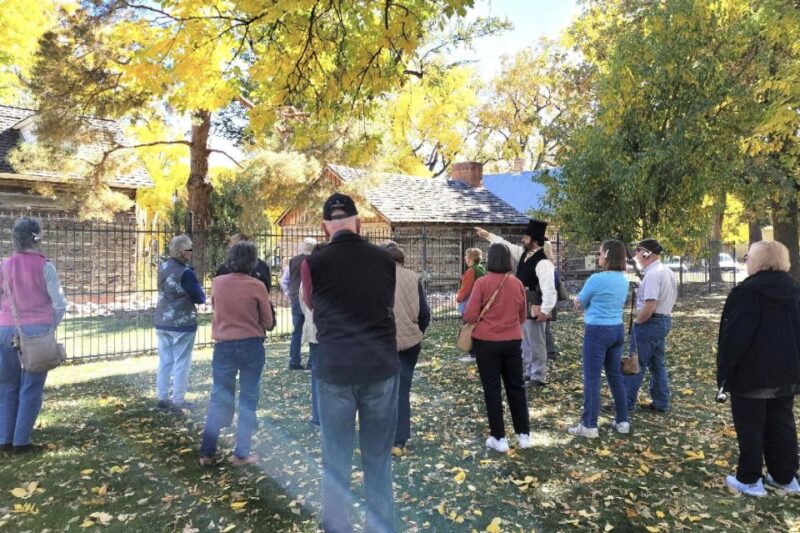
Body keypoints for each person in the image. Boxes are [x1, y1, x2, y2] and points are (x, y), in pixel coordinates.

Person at [301, 193, 399, 533]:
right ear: (359, 224)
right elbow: (383, 302)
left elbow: (310, 305)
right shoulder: (385, 260)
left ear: (325, 228)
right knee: (378, 460)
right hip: (379, 368)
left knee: (336, 461)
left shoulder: (312, 263)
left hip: (335, 369)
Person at [717, 240, 800, 496]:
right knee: (782, 422)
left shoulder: (747, 294)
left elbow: (735, 337)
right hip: (787, 373)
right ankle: (785, 476)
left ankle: (750, 478)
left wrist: (725, 372)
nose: (745, 261)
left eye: (748, 257)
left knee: (751, 426)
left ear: (760, 261)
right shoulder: (794, 290)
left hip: (752, 373)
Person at [200, 241, 273, 467]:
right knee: (248, 398)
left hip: (224, 345)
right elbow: (268, 322)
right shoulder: (257, 285)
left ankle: (207, 451)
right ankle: (241, 453)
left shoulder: (218, 283)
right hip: (251, 344)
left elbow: (216, 309)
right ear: (253, 261)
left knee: (218, 396)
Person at [0, 217, 67, 455]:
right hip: (36, 330)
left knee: (7, 385)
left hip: (5, 328)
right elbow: (59, 304)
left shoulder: (3, 265)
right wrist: (50, 328)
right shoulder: (45, 266)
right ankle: (21, 442)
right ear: (37, 237)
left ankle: (5, 439)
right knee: (31, 387)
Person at [464, 243, 531, 453]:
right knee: (516, 386)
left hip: (487, 342)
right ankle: (524, 434)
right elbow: (522, 315)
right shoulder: (517, 283)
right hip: (512, 341)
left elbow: (470, 315)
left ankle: (499, 437)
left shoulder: (482, 283)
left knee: (492, 389)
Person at [475, 221, 556, 387]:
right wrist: (488, 235)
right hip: (524, 303)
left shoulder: (543, 262)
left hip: (536, 305)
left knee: (536, 342)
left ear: (534, 240)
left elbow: (549, 288)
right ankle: (528, 372)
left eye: (526, 237)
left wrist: (545, 309)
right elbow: (507, 245)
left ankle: (538, 376)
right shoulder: (525, 255)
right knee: (525, 342)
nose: (523, 239)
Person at [569, 239, 630, 438]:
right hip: (616, 330)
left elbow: (581, 301)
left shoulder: (596, 279)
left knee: (592, 378)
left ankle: (589, 424)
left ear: (608, 255)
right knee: (615, 376)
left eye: (600, 253)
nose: (598, 257)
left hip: (596, 330)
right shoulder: (624, 279)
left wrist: (577, 302)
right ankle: (622, 420)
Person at [381, 241, 431, 457]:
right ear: (401, 259)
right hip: (410, 343)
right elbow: (425, 313)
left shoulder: (374, 278)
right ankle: (399, 440)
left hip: (381, 342)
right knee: (402, 390)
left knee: (380, 390)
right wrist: (417, 330)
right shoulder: (413, 278)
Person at [623, 238, 677, 412]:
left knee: (635, 363)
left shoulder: (653, 274)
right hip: (663, 320)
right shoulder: (666, 271)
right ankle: (661, 402)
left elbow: (650, 305)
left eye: (638, 250)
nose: (636, 254)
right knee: (657, 363)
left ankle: (625, 403)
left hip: (650, 322)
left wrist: (638, 322)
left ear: (647, 253)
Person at [154, 234, 206, 413]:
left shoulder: (164, 267)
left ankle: (162, 397)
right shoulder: (186, 273)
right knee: (181, 361)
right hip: (182, 322)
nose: (192, 252)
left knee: (165, 360)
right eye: (190, 249)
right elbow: (199, 297)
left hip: (162, 320)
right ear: (183, 252)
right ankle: (178, 400)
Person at [298, 243, 327, 427]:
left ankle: (317, 416)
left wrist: (309, 315)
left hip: (314, 326)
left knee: (317, 372)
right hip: (331, 329)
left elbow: (304, 300)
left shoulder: (309, 276)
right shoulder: (333, 276)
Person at [280, 237, 317, 370]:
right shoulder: (316, 260)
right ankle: (312, 362)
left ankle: (294, 362)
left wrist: (289, 294)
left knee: (297, 331)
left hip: (296, 298)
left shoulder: (293, 261)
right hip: (312, 299)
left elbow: (284, 281)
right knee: (313, 330)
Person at [456, 248, 485, 363]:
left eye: (466, 256)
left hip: (469, 302)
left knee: (468, 328)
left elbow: (466, 288)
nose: (465, 258)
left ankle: (473, 354)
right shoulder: (480, 269)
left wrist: (459, 298)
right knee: (477, 327)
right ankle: (478, 352)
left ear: (471, 258)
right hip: (478, 302)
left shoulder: (471, 271)